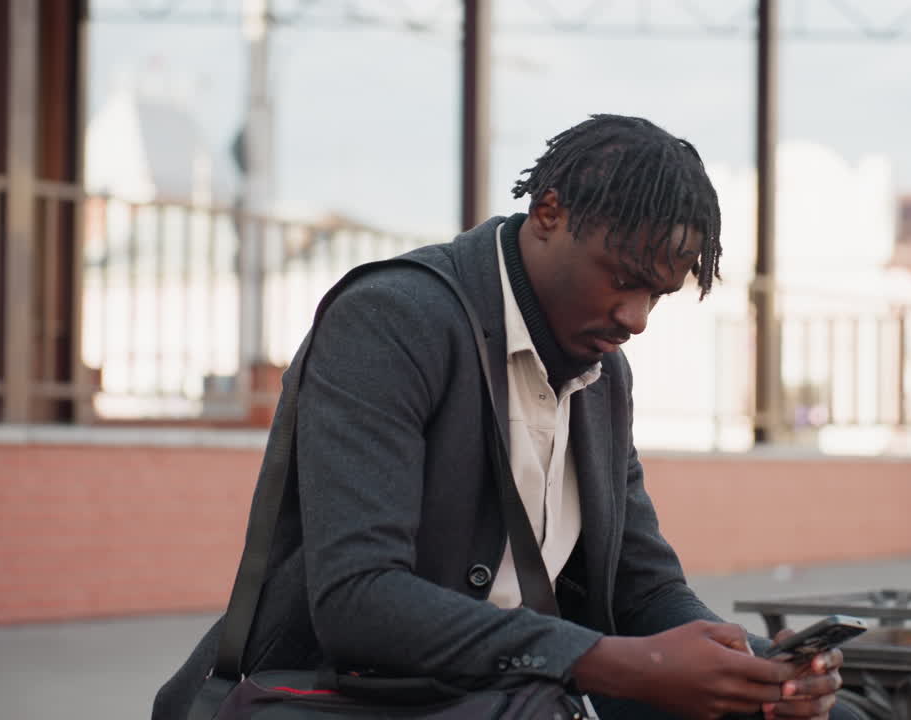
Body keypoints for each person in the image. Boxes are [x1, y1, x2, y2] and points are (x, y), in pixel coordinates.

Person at [154, 114, 846, 720]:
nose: (636, 318)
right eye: (625, 279)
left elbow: (645, 587)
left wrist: (748, 668)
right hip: (351, 696)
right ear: (548, 213)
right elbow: (358, 599)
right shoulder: (393, 321)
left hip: (511, 691)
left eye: (658, 295)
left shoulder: (603, 374)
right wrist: (610, 662)